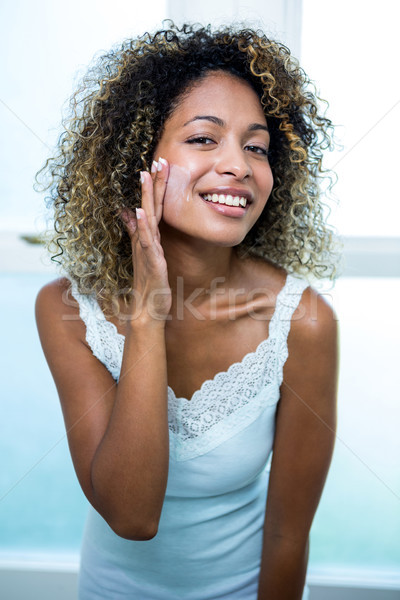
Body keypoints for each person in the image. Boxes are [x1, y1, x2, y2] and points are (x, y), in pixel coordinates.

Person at [35, 22, 339, 600]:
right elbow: (132, 515)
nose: (239, 166)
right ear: (135, 160)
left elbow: (286, 537)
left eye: (257, 147)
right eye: (204, 138)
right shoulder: (65, 308)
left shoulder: (303, 322)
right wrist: (149, 314)